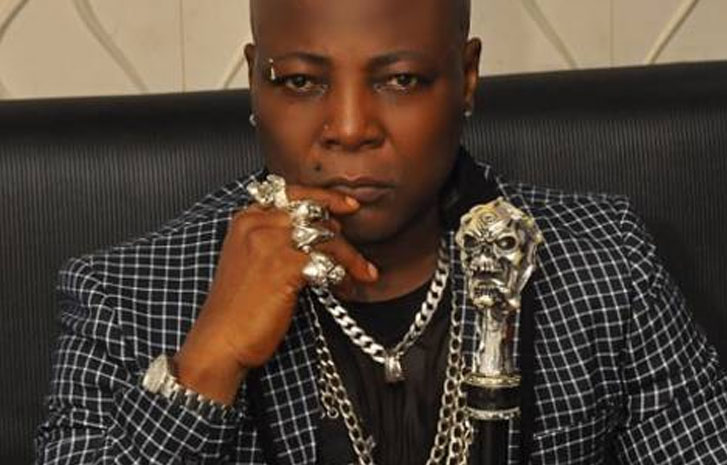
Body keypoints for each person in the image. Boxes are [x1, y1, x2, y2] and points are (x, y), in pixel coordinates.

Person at [35, 0, 727, 463]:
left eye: (400, 79)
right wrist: (207, 365)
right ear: (254, 83)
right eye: (300, 81)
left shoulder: (605, 261)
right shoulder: (123, 295)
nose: (348, 127)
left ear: (465, 78)